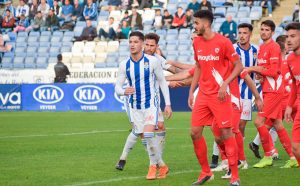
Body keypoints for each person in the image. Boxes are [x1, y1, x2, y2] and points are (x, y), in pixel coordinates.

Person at [188, 10, 242, 186]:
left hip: (220, 96)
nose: (194, 26)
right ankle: (206, 172)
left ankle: (234, 176)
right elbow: (198, 66)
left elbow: (238, 66)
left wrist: (226, 83)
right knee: (194, 132)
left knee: (226, 133)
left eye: (196, 23)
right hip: (203, 94)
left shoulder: (223, 42)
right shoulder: (196, 42)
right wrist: (191, 91)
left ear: (206, 24)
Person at [115, 31, 172, 180]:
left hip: (150, 105)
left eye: (135, 42)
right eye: (130, 42)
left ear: (141, 44)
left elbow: (162, 82)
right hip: (135, 107)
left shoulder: (153, 61)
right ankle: (162, 165)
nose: (132, 44)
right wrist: (123, 91)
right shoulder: (124, 64)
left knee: (148, 134)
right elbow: (117, 87)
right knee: (143, 137)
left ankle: (152, 167)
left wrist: (168, 104)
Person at [246, 20, 294, 168]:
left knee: (259, 122)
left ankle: (268, 155)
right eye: (262, 29)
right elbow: (265, 69)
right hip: (268, 88)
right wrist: (260, 75)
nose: (263, 32)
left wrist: (253, 69)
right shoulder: (261, 47)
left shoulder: (273, 47)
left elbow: (273, 72)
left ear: (272, 32)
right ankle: (293, 157)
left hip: (274, 90)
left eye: (267, 30)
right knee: (277, 123)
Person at [285, 22, 300, 168]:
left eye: (293, 36)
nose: (289, 40)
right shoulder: (289, 59)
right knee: (295, 148)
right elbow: (295, 84)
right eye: (287, 36)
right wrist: (289, 106)